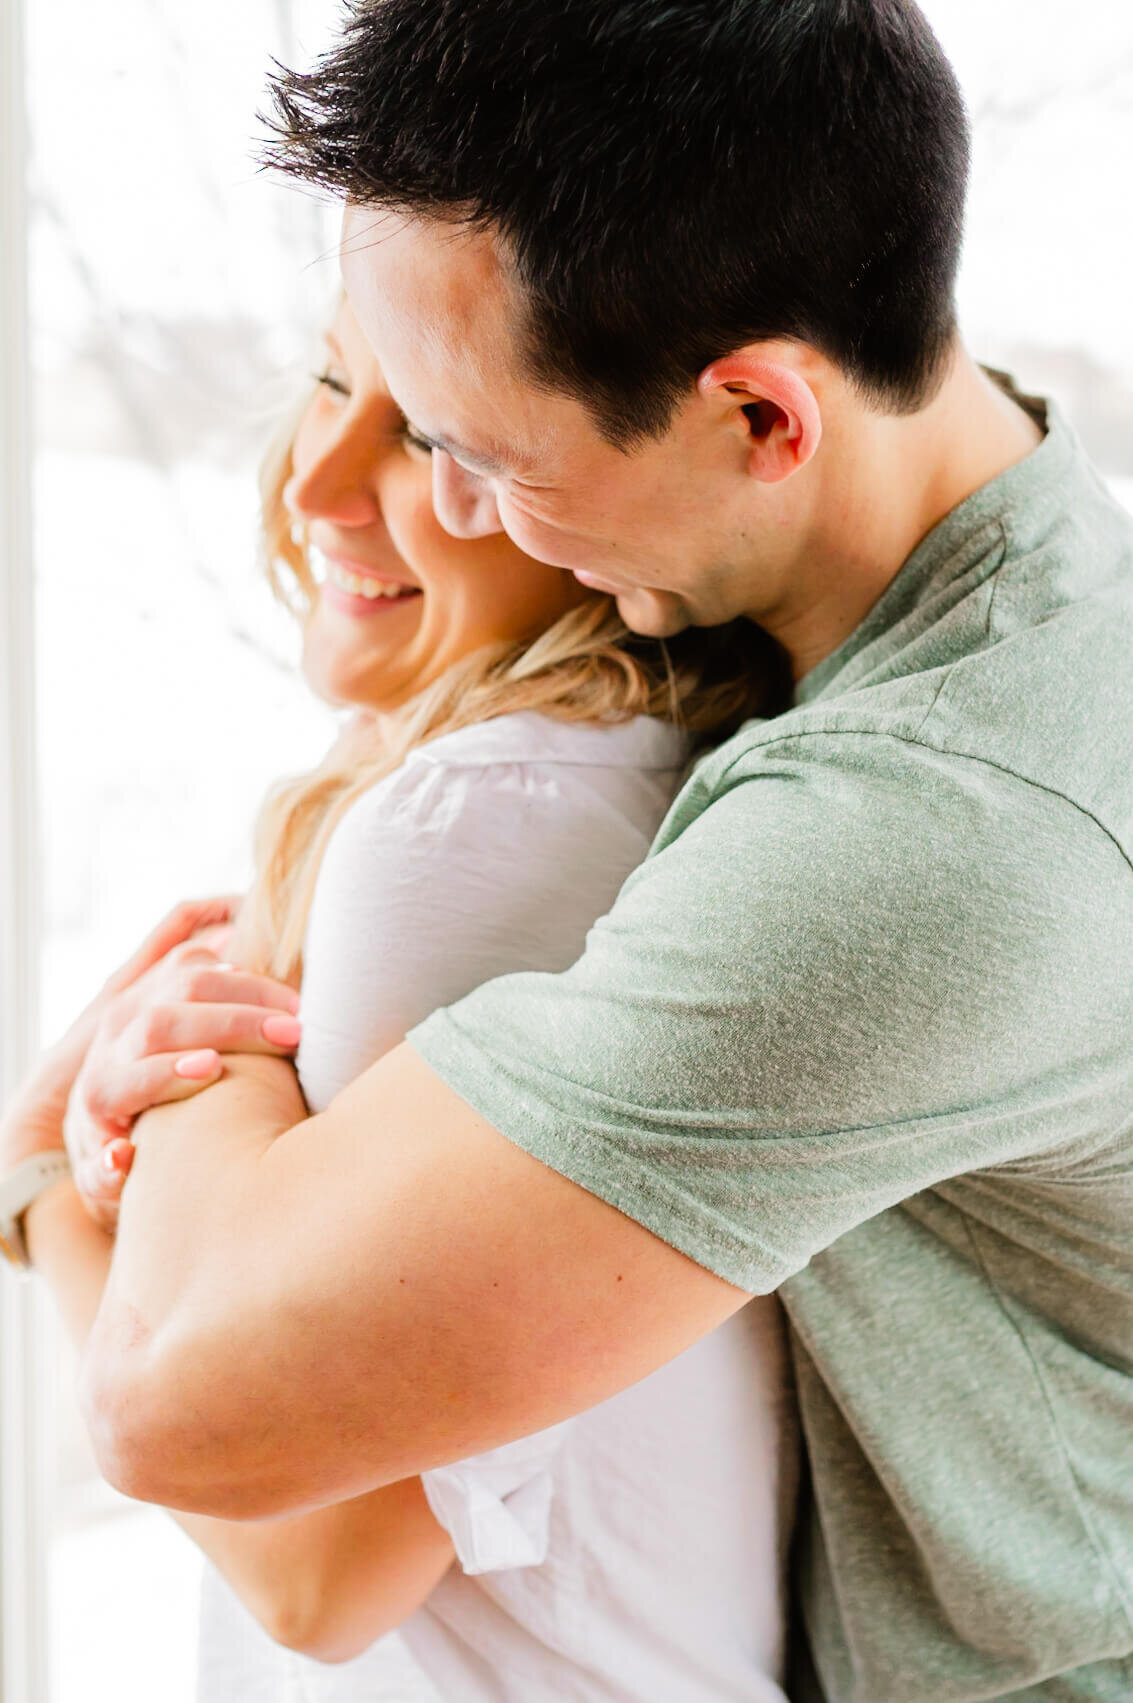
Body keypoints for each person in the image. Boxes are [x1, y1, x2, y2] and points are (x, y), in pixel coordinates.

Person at [3, 4, 1131, 1700]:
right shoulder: (987, 528)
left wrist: (167, 1070)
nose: (432, 508)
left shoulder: (924, 836)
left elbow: (187, 1408)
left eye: (476, 450)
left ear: (761, 414)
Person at [9, 295, 794, 1703]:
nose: (311, 478)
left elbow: (321, 1568)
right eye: (327, 381)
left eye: (433, 432)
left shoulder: (482, 823)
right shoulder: (563, 782)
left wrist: (46, 1184)